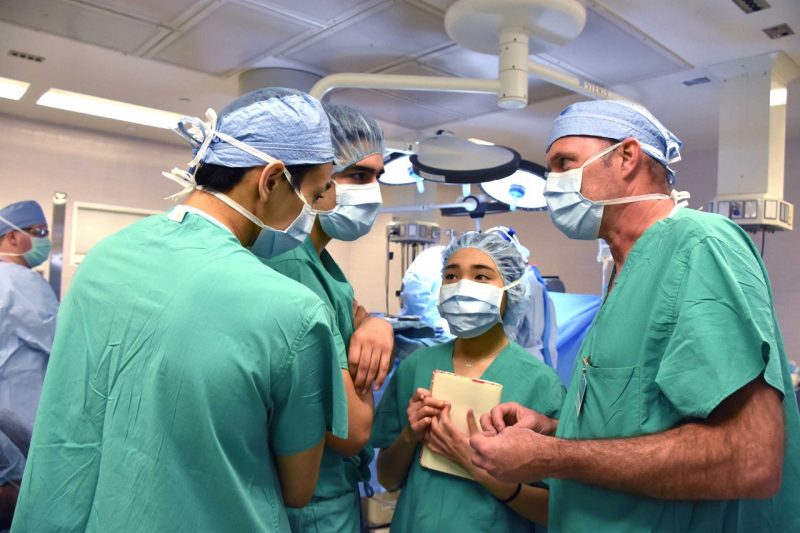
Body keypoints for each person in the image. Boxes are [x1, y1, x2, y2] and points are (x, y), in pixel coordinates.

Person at [12, 88, 349, 532]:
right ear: (270, 180)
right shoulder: (293, 310)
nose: (314, 209)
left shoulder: (105, 256)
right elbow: (297, 489)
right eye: (315, 192)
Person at [470, 99, 800, 531]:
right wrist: (552, 431)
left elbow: (749, 458)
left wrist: (551, 458)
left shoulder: (699, 246)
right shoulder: (624, 271)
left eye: (564, 163)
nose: (553, 183)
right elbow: (641, 422)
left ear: (626, 156)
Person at [373, 231, 565, 532]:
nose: (462, 287)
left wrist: (480, 468)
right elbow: (387, 478)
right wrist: (410, 436)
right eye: (451, 275)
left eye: (481, 277)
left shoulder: (540, 385)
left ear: (512, 290)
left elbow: (552, 509)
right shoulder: (415, 368)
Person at [260, 103, 393, 532]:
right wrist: (363, 368)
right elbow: (351, 430)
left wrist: (374, 325)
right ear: (317, 175)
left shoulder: (319, 262)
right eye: (358, 175)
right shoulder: (292, 264)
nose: (374, 191)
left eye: (378, 176)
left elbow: (348, 313)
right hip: (310, 502)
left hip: (325, 495)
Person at [0, 201, 58, 426]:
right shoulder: (19, 281)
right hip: (19, 406)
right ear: (13, 237)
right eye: (39, 232)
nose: (45, 240)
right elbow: (59, 339)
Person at [484, 226, 558, 368]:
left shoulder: (522, 282)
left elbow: (508, 332)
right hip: (531, 361)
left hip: (519, 364)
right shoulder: (532, 278)